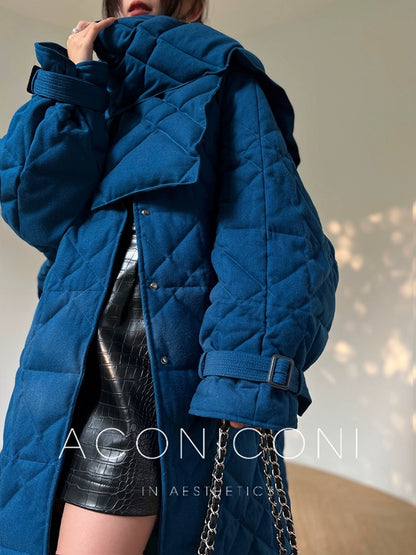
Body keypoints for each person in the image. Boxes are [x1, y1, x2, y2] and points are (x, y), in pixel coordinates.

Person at [0, 1, 338, 554]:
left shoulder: (223, 77)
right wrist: (75, 83)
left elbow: (271, 230)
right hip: (57, 369)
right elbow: (33, 209)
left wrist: (246, 375)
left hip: (146, 380)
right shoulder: (95, 85)